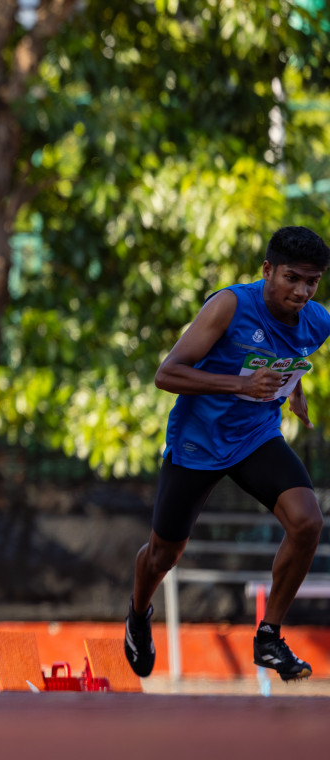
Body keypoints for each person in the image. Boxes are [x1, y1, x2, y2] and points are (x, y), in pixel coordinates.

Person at [124, 226, 330, 682]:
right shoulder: (230, 306)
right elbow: (167, 374)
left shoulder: (317, 321)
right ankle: (139, 614)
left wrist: (295, 391)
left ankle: (269, 635)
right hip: (199, 440)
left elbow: (290, 355)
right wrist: (239, 385)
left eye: (311, 282)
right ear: (267, 270)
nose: (301, 291)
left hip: (255, 436)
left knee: (307, 521)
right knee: (164, 554)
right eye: (292, 278)